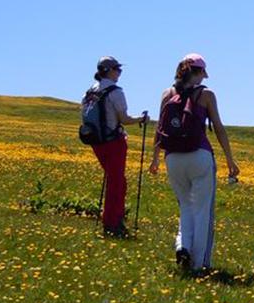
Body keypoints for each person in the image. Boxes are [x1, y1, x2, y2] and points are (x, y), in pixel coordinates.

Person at [149, 53, 240, 275]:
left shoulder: (167, 94)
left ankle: (183, 246)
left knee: (185, 206)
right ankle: (200, 264)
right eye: (203, 73)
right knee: (202, 211)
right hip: (199, 155)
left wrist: (155, 159)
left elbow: (159, 129)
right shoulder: (206, 95)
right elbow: (218, 128)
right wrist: (230, 159)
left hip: (172, 158)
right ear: (198, 73)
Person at [82, 56, 146, 238]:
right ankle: (112, 223)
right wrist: (141, 119)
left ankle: (113, 219)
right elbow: (124, 119)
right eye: (117, 69)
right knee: (117, 182)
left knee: (115, 180)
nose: (119, 72)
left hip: (96, 141)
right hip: (113, 141)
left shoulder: (89, 92)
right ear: (109, 71)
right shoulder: (115, 91)